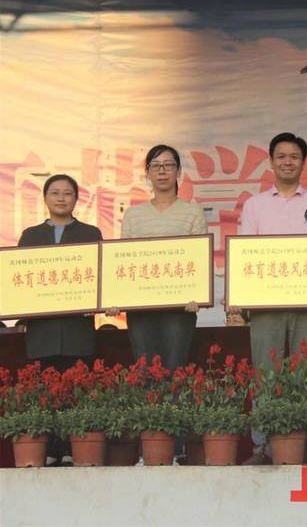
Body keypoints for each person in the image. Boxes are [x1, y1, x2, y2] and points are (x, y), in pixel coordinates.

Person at [235, 132, 307, 465]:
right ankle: (263, 446)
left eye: (294, 157)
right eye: (281, 156)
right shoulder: (255, 205)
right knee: (266, 375)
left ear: (303, 162)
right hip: (265, 306)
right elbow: (246, 255)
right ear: (271, 162)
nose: (287, 162)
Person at [18, 173, 103, 465]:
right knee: (44, 392)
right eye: (55, 193)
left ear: (76, 199)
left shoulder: (90, 233)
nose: (61, 198)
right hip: (42, 330)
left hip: (77, 328)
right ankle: (50, 450)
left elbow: (99, 276)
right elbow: (19, 279)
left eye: (67, 193)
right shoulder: (30, 236)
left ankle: (70, 448)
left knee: (77, 390)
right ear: (45, 198)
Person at [117, 144, 208, 371]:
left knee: (175, 372)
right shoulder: (133, 215)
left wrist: (198, 295)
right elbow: (124, 263)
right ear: (147, 173)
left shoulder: (193, 212)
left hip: (180, 308)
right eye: (156, 166)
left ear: (178, 171)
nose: (162, 171)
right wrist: (116, 298)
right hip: (140, 306)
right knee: (145, 372)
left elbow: (199, 261)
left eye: (168, 165)